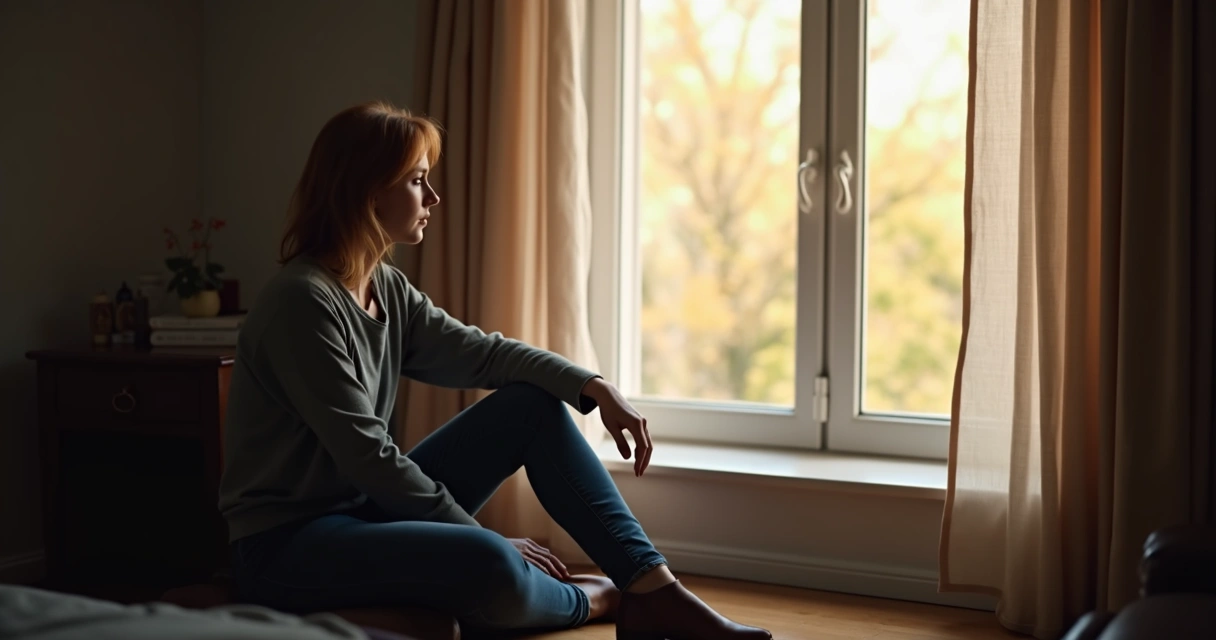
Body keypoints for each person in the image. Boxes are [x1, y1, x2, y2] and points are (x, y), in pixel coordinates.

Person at [217, 101, 771, 640]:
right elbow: (370, 459)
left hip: (363, 514)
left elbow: (487, 355)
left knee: (530, 406)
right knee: (486, 556)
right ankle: (598, 599)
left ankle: (652, 588)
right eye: (416, 181)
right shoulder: (303, 304)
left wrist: (593, 386)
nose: (432, 196)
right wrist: (486, 536)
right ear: (366, 192)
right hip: (287, 546)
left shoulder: (384, 287)